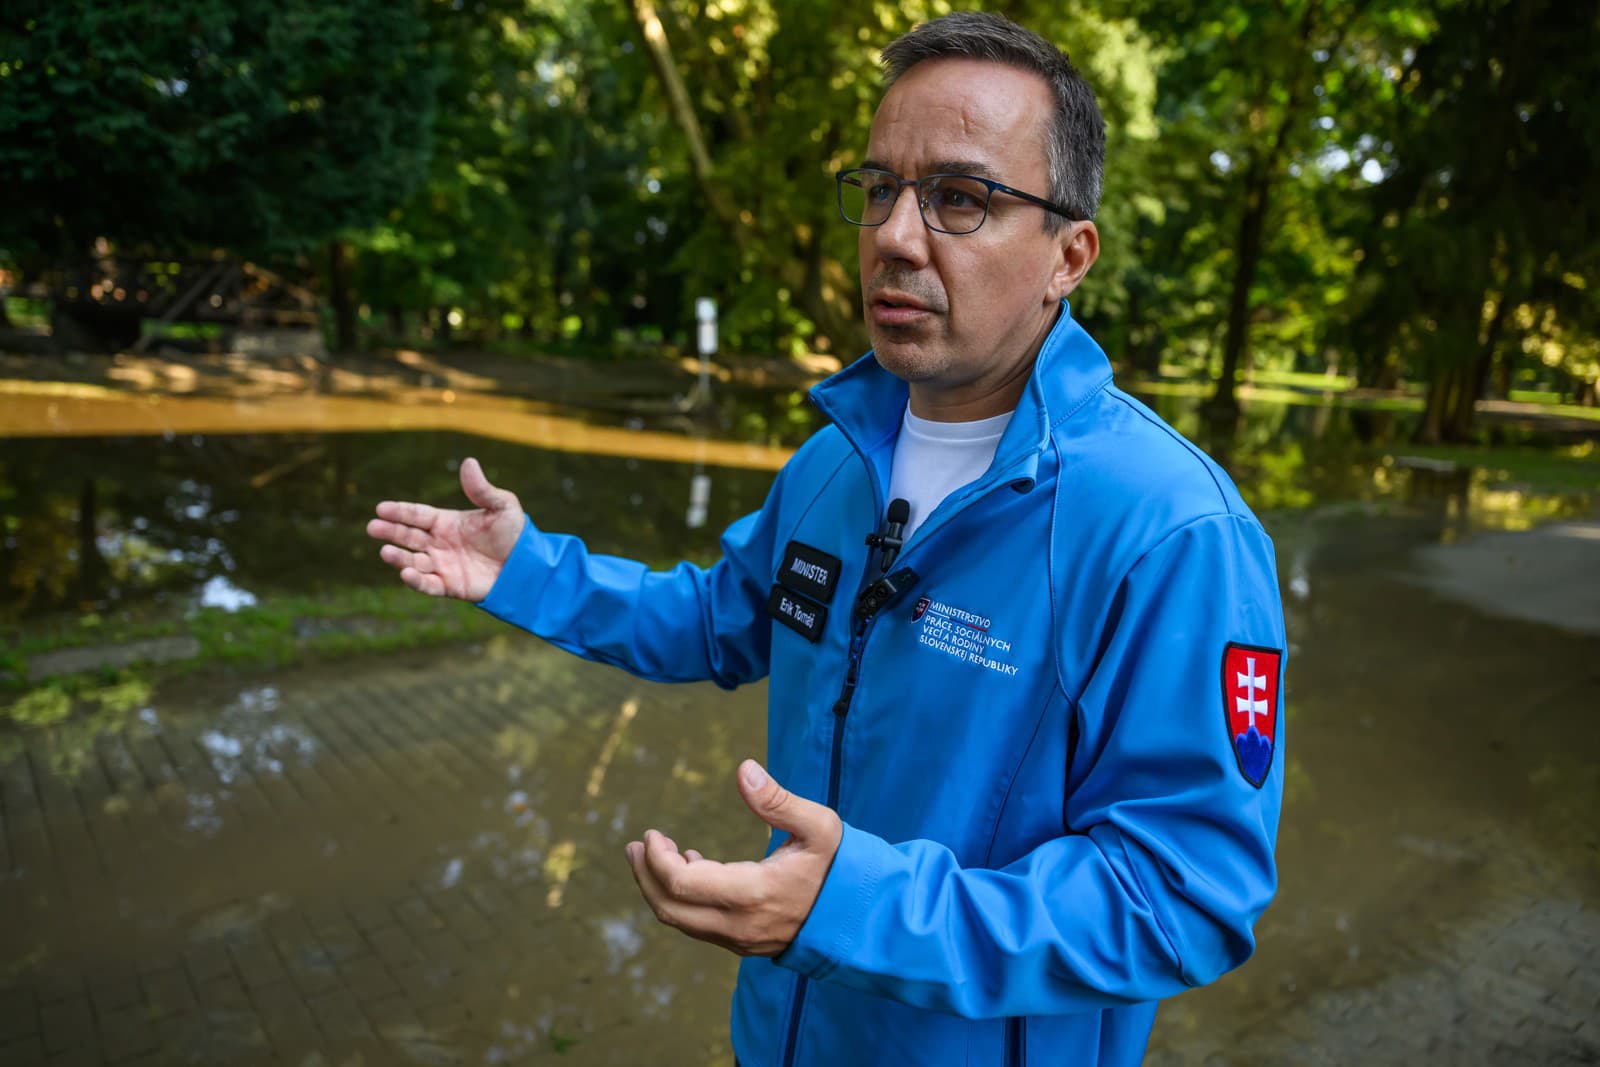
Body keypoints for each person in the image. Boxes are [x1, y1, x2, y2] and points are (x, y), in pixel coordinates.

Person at [366, 11, 1286, 1066]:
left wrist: (855, 908)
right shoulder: (834, 460)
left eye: (958, 197)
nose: (895, 235)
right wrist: (530, 572)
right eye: (879, 189)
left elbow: (1183, 892)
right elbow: (723, 618)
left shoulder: (1171, 531)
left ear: (1067, 255)